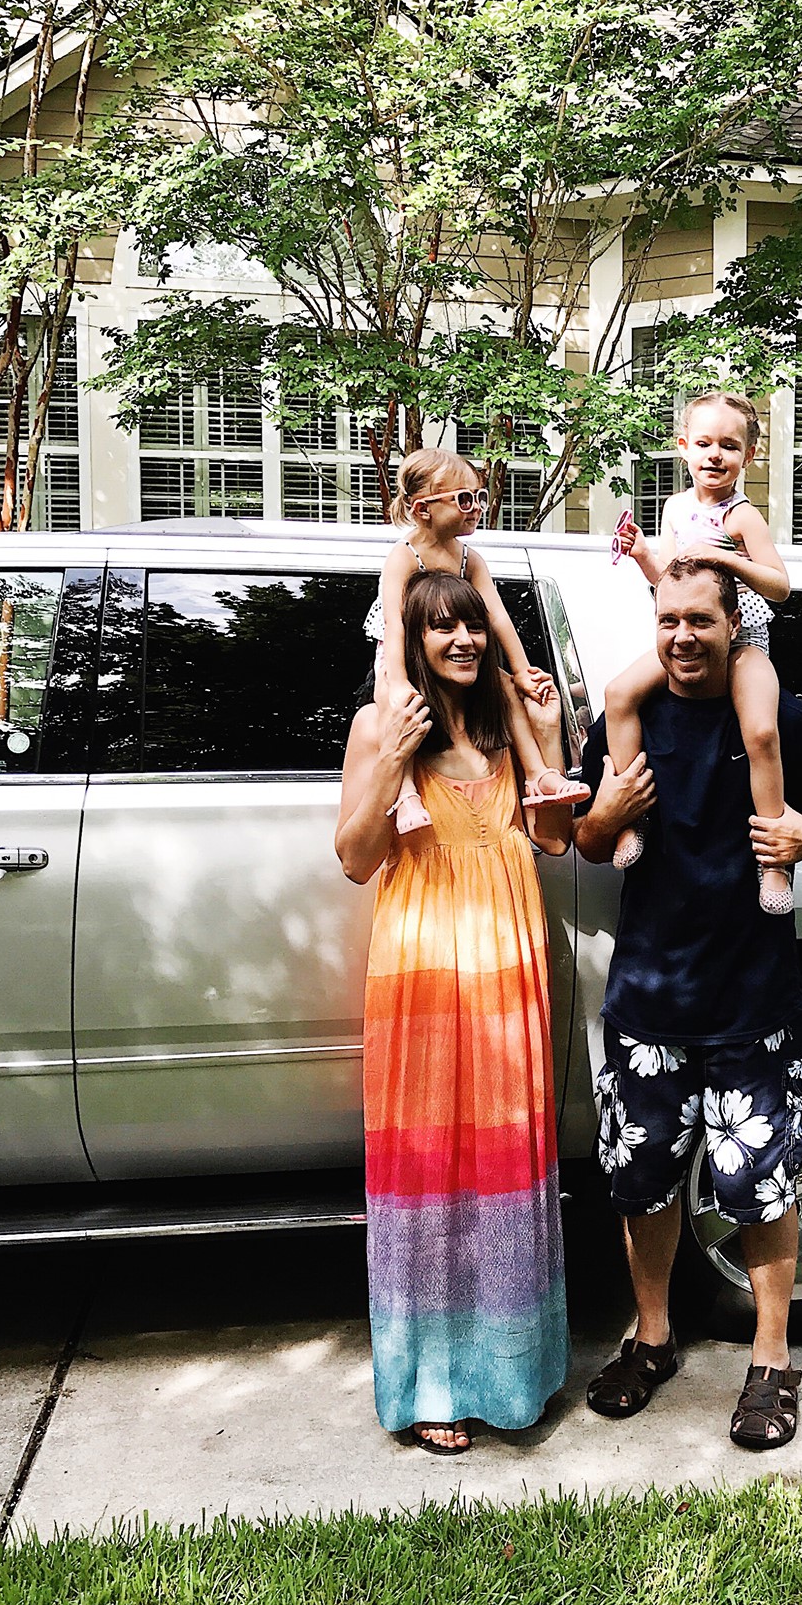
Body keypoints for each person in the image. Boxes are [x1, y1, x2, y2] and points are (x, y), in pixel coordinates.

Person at [574, 556, 802, 1451]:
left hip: (752, 1003)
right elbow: (586, 842)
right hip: (648, 1002)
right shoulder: (629, 717)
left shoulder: (777, 716)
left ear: (735, 625)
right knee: (642, 1183)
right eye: (669, 621)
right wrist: (606, 813)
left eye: (700, 620)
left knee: (761, 1188)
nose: (683, 637)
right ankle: (652, 1339)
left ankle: (771, 1362)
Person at [337, 569, 573, 1454]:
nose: (464, 641)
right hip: (425, 972)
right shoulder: (380, 724)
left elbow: (553, 839)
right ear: (412, 639)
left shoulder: (504, 724)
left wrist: (550, 736)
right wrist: (391, 761)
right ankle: (431, 1383)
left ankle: (514, 1373)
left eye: (472, 625)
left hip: (509, 966)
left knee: (508, 1160)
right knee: (430, 1168)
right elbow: (356, 859)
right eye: (441, 628)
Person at [607, 393, 794, 914]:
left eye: (729, 446)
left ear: (748, 456)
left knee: (761, 732)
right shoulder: (675, 508)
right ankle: (632, 820)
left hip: (743, 640)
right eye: (705, 443)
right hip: (689, 637)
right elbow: (670, 583)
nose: (715, 454)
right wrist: (642, 554)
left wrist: (723, 557)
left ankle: (773, 862)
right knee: (618, 694)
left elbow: (780, 586)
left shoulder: (743, 516)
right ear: (683, 447)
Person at [366, 447, 589, 834]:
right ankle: (405, 793)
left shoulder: (470, 558)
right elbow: (394, 623)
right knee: (393, 703)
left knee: (505, 687)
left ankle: (538, 774)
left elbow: (497, 617)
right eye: (465, 499)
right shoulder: (404, 556)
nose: (477, 508)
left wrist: (521, 671)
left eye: (480, 497)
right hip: (398, 654)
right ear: (423, 509)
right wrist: (399, 682)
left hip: (430, 653)